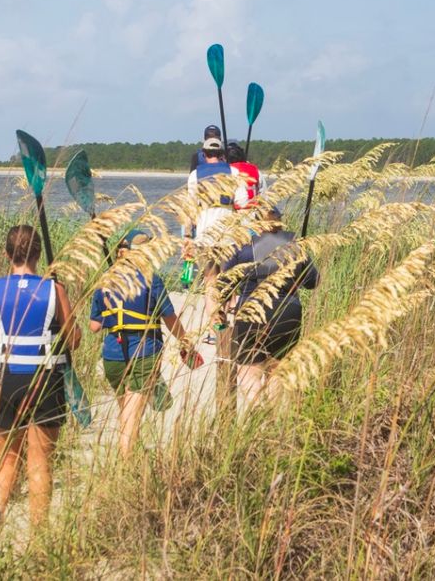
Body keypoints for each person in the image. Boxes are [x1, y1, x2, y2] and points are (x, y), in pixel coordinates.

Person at [0, 225, 80, 526]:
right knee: (40, 463)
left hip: (3, 380)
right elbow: (75, 340)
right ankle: (39, 537)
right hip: (45, 380)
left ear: (7, 254)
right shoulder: (55, 290)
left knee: (5, 459)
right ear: (39, 255)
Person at [89, 230, 199, 455]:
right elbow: (170, 319)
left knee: (128, 412)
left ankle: (133, 454)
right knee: (131, 415)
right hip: (144, 353)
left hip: (113, 356)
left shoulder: (105, 281)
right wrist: (186, 342)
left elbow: (94, 326)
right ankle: (126, 466)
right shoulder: (151, 279)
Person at [221, 208, 319, 412]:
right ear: (280, 223)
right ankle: (273, 419)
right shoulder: (295, 247)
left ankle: (258, 416)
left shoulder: (243, 248)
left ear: (255, 225)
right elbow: (313, 282)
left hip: (251, 313)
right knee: (277, 370)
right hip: (288, 312)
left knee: (248, 371)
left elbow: (224, 286)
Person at [184, 132, 247, 344]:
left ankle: (215, 330)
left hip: (204, 236)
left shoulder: (195, 175)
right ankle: (230, 325)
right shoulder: (234, 172)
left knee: (210, 283)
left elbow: (189, 209)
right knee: (228, 281)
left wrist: (186, 236)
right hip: (228, 236)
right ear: (221, 153)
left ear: (204, 153)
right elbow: (243, 204)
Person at [225, 141, 263, 209]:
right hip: (252, 211)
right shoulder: (255, 170)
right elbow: (262, 192)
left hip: (233, 213)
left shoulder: (226, 171)